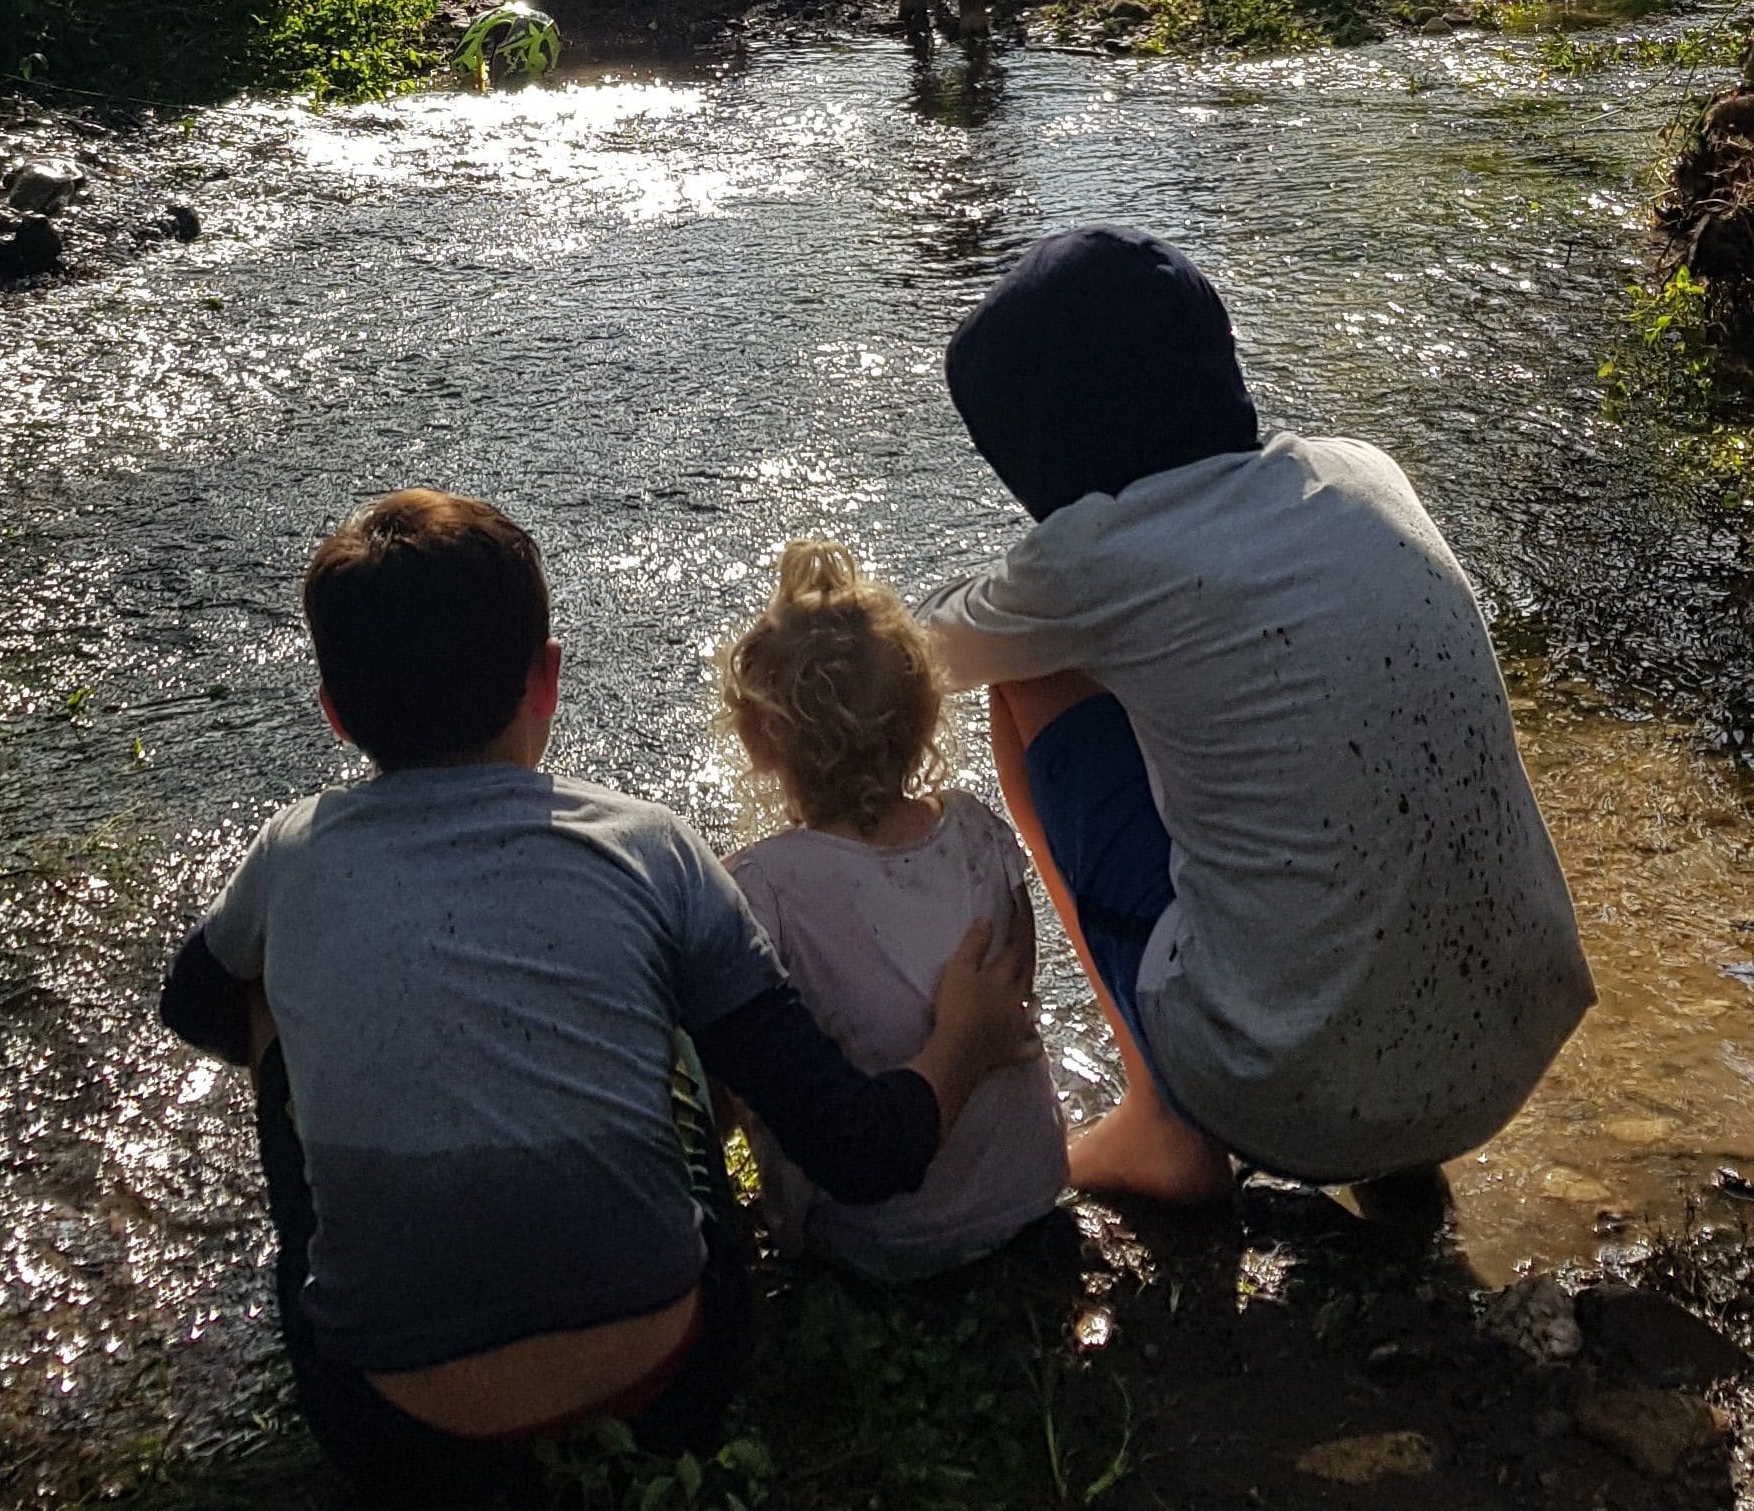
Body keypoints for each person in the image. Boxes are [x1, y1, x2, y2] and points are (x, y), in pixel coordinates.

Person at [159, 489, 1034, 1506]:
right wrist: (964, 1039)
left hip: (390, 1433)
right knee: (676, 981)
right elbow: (862, 1151)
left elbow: (193, 1005)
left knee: (261, 980)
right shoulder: (649, 843)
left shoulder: (291, 851)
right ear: (549, 678)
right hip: (670, 1390)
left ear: (335, 712)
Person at [919, 225, 1596, 1205]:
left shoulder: (1093, 558)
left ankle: (1161, 1120)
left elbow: (923, 658)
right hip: (1503, 1054)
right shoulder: (1360, 469)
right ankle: (1404, 1146)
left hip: (1284, 1093)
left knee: (1028, 681)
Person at [720, 540, 1068, 1279]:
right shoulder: (979, 832)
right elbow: (1020, 984)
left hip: (878, 1242)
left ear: (761, 740)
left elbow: (737, 1066)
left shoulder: (761, 887)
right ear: (923, 715)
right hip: (1030, 1193)